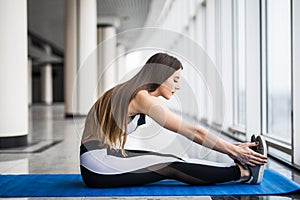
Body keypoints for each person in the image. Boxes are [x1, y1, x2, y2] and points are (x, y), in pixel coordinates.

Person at [80, 52, 267, 188]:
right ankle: (244, 173)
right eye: (175, 80)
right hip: (99, 166)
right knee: (171, 165)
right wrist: (233, 150)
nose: (178, 87)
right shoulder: (141, 97)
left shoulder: (133, 92)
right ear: (160, 77)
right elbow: (193, 132)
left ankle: (237, 165)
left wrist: (231, 148)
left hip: (100, 159)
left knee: (173, 159)